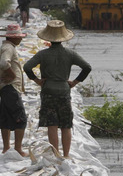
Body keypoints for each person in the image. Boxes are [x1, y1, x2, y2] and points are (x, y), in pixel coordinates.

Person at [23, 20, 91, 158]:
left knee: (52, 124)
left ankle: (56, 154)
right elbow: (87, 67)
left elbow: (27, 67)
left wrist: (37, 81)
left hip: (48, 91)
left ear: (48, 38)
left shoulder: (43, 54)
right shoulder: (70, 54)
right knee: (66, 125)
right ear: (63, 39)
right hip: (64, 91)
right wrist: (74, 82)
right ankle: (66, 155)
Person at [0, 24, 28, 156]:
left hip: (3, 88)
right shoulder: (9, 48)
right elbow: (4, 63)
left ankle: (6, 148)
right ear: (14, 38)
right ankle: (18, 148)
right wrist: (11, 75)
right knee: (20, 118)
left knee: (5, 117)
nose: (20, 40)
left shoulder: (2, 48)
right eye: (19, 37)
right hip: (11, 88)